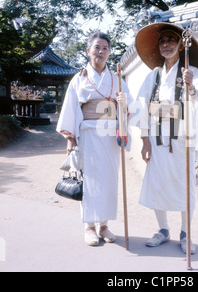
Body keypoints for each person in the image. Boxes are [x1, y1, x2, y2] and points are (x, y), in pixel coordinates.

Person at [134, 22, 198, 254]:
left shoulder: (191, 72)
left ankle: (185, 233)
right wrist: (144, 139)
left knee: (183, 184)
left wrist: (191, 87)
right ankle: (163, 230)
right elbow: (142, 106)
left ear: (179, 46)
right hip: (156, 139)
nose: (166, 44)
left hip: (181, 139)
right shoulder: (154, 75)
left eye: (171, 41)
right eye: (163, 41)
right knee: (158, 184)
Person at [56, 31, 131, 246]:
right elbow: (70, 108)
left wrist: (122, 103)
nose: (101, 51)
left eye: (105, 48)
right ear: (88, 51)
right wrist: (70, 139)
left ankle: (104, 225)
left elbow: (128, 107)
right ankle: (89, 226)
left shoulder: (116, 79)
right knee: (89, 181)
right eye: (96, 47)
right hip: (88, 133)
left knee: (109, 179)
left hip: (110, 136)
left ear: (109, 52)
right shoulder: (79, 79)